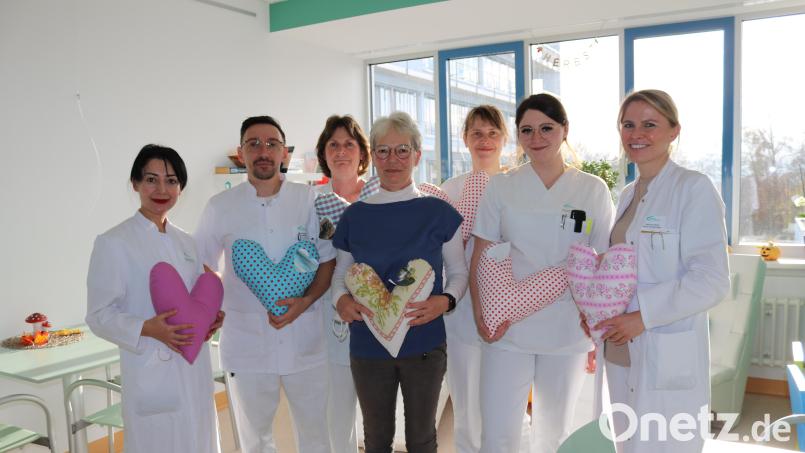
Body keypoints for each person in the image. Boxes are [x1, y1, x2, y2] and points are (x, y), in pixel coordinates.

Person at [471, 93, 615, 453]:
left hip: (567, 327)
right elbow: (481, 254)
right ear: (518, 136)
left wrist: (598, 323)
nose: (537, 138)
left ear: (564, 130)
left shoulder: (591, 189)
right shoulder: (502, 186)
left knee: (556, 433)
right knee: (498, 431)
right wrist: (479, 315)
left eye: (546, 128)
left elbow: (603, 260)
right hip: (508, 328)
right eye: (527, 130)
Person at [595, 89, 729, 453]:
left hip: (663, 343)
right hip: (620, 346)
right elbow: (621, 269)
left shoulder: (693, 188)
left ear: (674, 131)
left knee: (665, 444)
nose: (637, 133)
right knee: (628, 444)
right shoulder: (626, 195)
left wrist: (644, 315)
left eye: (650, 124)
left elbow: (713, 281)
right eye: (628, 125)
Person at [195, 116, 336, 453]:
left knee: (316, 435)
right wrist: (211, 307)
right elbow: (202, 264)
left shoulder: (309, 201)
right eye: (253, 143)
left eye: (271, 143)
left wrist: (305, 301)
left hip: (307, 342)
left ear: (284, 153)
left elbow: (327, 260)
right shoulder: (220, 207)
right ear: (241, 153)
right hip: (247, 347)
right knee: (254, 440)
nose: (263, 151)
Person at [331, 111, 468, 453]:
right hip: (368, 344)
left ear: (417, 156)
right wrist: (342, 302)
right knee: (376, 440)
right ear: (372, 156)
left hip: (424, 343)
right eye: (383, 151)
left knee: (422, 439)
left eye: (402, 150)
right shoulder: (354, 216)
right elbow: (338, 278)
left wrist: (445, 301)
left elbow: (459, 273)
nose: (393, 160)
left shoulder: (439, 212)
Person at [86, 144, 222, 453]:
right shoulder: (114, 242)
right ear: (135, 183)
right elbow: (98, 315)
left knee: (200, 439)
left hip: (194, 366)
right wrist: (147, 328)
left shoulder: (187, 242)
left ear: (181, 188)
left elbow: (198, 296)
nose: (162, 189)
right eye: (151, 179)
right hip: (150, 365)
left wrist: (212, 319)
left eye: (171, 181)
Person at [441, 105, 532, 453]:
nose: (485, 140)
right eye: (477, 133)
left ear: (505, 140)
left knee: (510, 408)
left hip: (510, 312)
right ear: (464, 139)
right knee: (466, 409)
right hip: (461, 315)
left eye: (493, 133)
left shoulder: (519, 187)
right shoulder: (450, 190)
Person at [314, 114, 374, 453]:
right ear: (324, 153)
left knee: (379, 411)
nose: (341, 151)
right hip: (331, 315)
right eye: (333, 144)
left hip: (379, 311)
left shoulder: (380, 196)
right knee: (338, 407)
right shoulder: (313, 203)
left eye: (349, 144)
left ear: (362, 154)